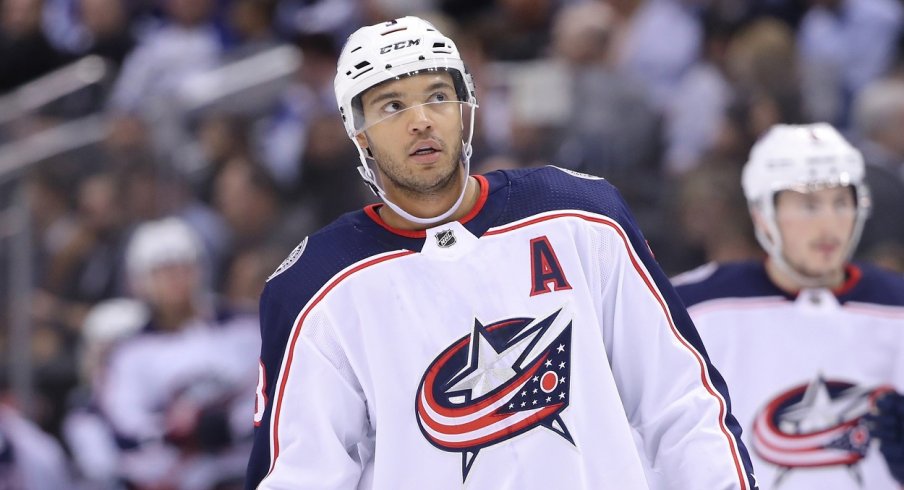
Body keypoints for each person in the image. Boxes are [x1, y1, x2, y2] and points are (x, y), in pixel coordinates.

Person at [246, 16, 757, 489]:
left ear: (466, 107)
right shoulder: (315, 286)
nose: (422, 120)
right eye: (393, 106)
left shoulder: (579, 215)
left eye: (438, 96)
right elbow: (299, 475)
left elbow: (681, 401)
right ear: (359, 132)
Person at [672, 122, 904, 489]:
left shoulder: (898, 307)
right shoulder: (691, 307)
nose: (829, 225)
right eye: (809, 205)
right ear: (763, 213)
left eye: (840, 202)